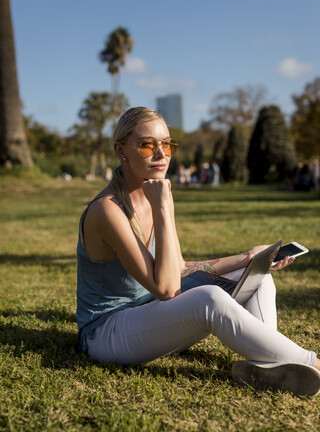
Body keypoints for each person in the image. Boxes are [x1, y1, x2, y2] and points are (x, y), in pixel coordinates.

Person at [76, 107, 320, 397]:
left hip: (150, 317)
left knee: (257, 277)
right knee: (210, 299)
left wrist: (247, 258)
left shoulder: (155, 193)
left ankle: (265, 366)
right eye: (147, 145)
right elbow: (167, 289)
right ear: (121, 151)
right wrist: (163, 208)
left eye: (166, 144)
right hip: (106, 334)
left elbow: (177, 268)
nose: (161, 154)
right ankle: (310, 362)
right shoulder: (107, 209)